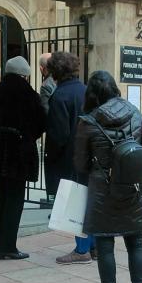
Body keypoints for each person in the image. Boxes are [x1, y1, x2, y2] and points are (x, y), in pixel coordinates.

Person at [76, 71, 142, 283]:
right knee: (136, 242)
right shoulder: (136, 114)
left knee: (105, 244)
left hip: (102, 192)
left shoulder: (88, 122)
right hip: (132, 189)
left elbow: (79, 163)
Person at [0, 56, 46, 260]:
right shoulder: (30, 95)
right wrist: (26, 137)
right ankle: (8, 246)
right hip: (19, 152)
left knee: (1, 197)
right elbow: (41, 124)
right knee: (15, 199)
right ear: (25, 75)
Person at [44, 52, 95, 264]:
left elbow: (59, 135)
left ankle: (82, 249)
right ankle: (93, 245)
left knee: (76, 203)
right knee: (88, 201)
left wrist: (51, 157)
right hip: (90, 154)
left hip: (70, 157)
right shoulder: (87, 91)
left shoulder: (59, 96)